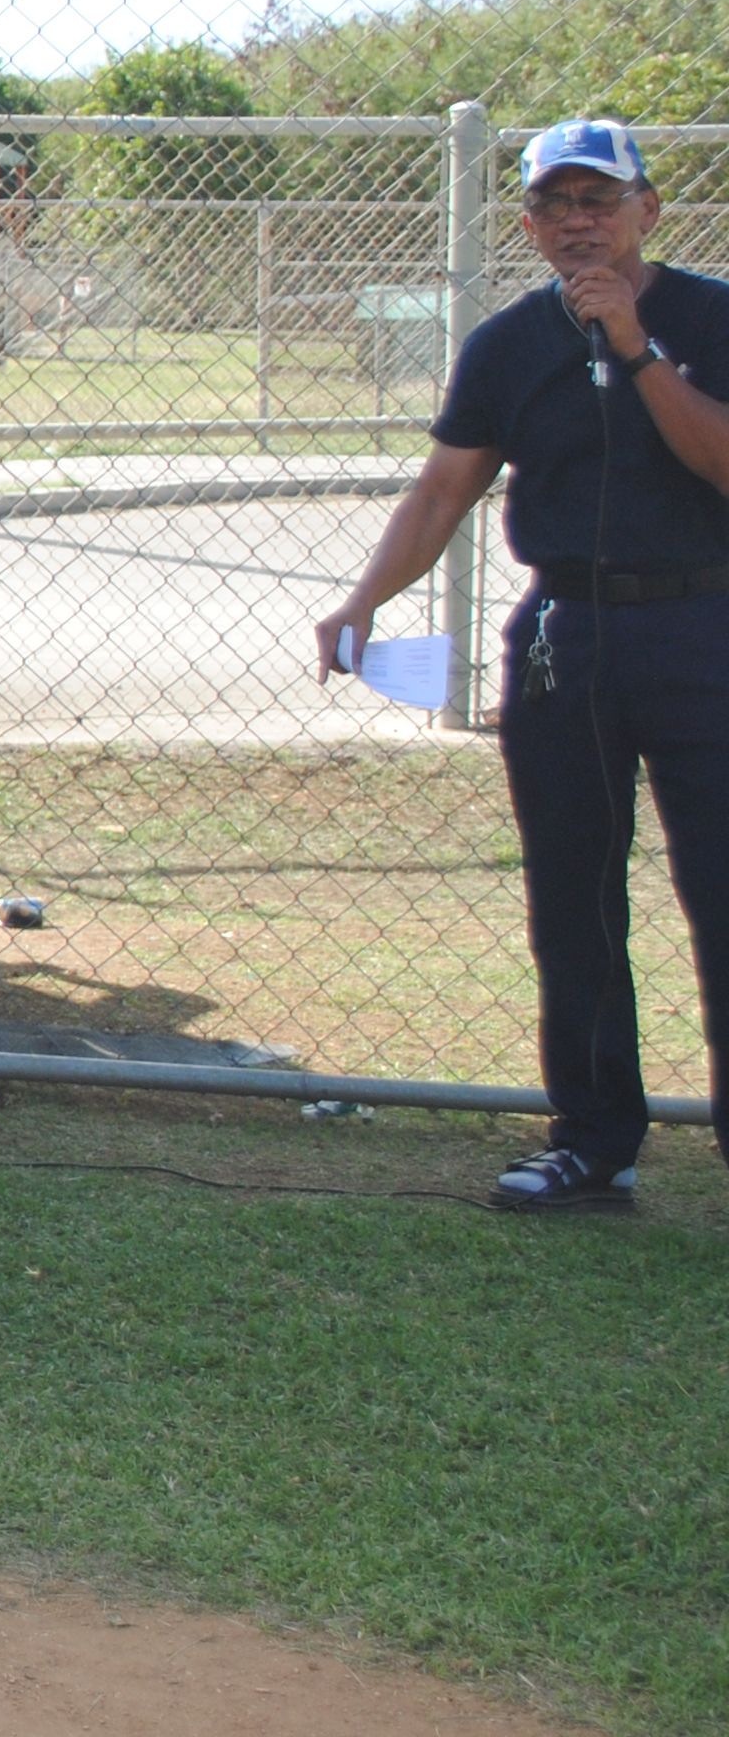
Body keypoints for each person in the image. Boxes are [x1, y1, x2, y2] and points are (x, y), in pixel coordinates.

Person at [315, 117, 729, 1212]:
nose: (576, 224)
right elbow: (442, 490)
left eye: (597, 201)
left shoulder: (709, 318)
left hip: (702, 629)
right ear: (528, 225)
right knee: (571, 898)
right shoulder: (507, 343)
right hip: (567, 639)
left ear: (647, 210)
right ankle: (592, 1140)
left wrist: (632, 346)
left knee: (719, 891)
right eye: (553, 206)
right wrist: (365, 600)